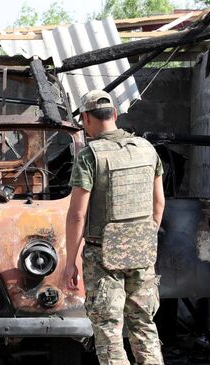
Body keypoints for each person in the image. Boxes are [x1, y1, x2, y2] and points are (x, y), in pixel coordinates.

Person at [63, 89, 165, 365]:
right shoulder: (147, 149)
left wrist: (70, 261)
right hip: (142, 251)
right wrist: (143, 237)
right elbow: (159, 205)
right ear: (115, 115)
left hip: (102, 254)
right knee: (144, 325)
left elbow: (76, 216)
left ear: (86, 118)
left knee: (109, 329)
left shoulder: (89, 156)